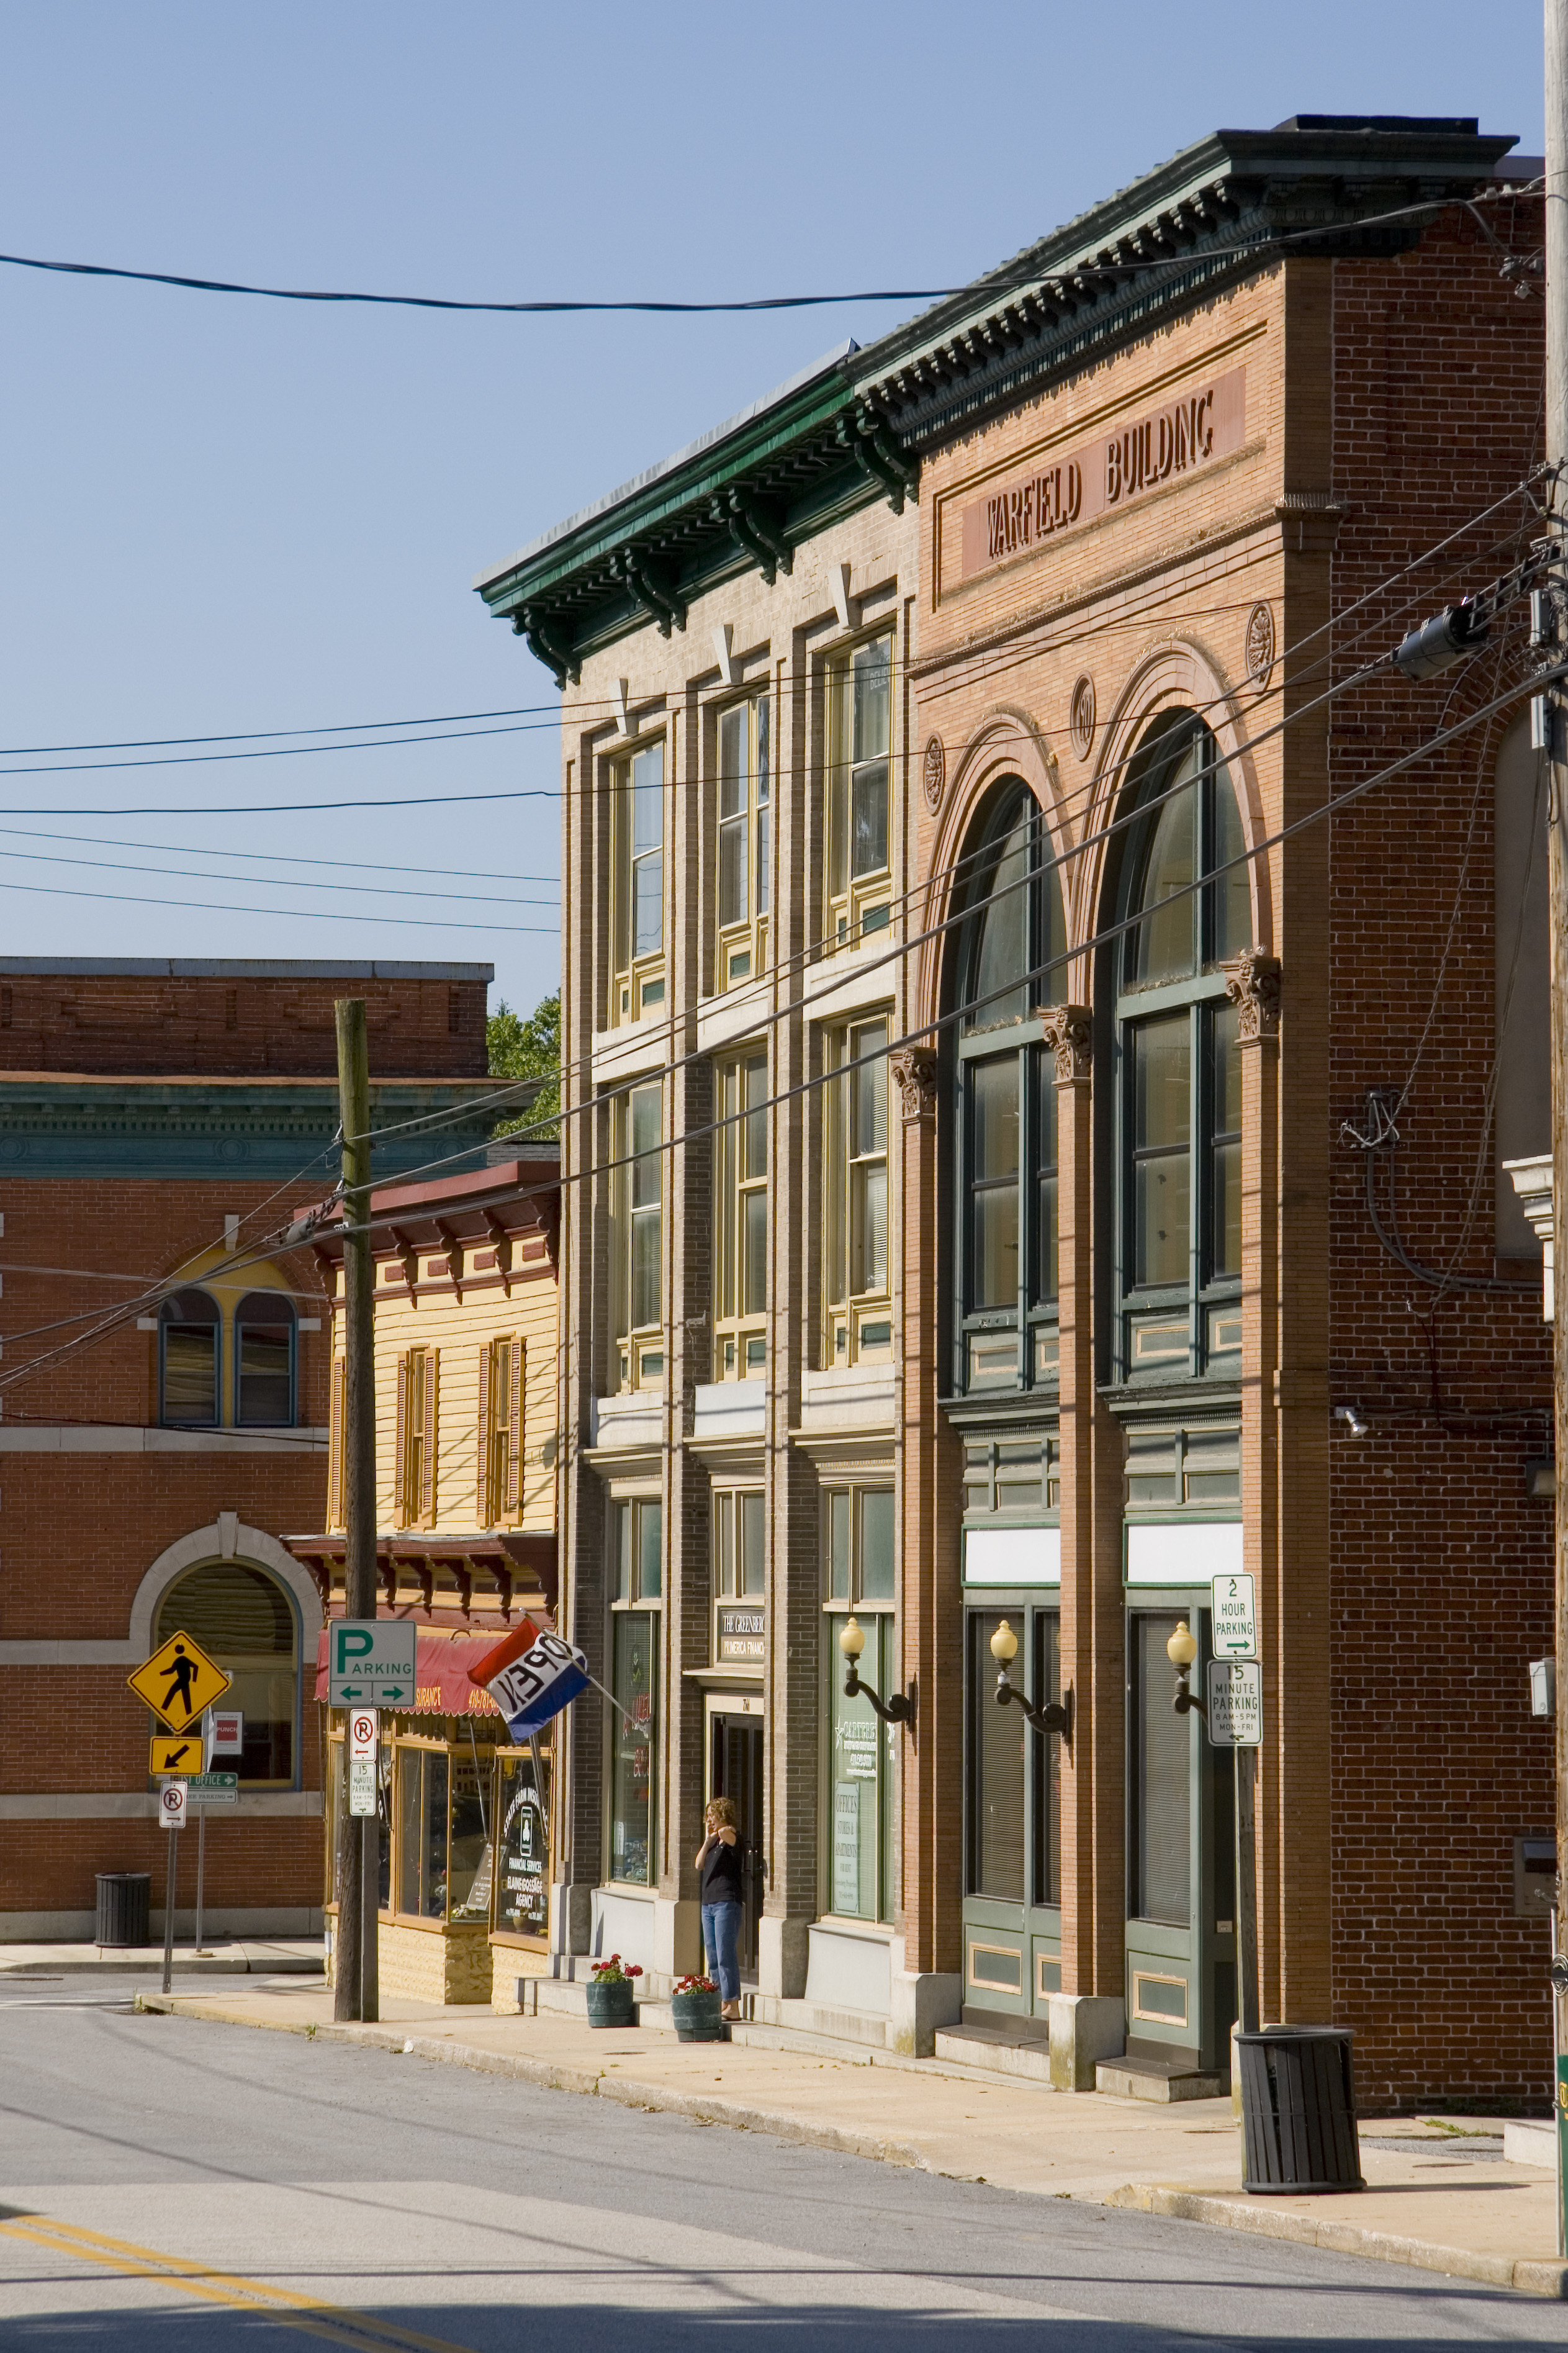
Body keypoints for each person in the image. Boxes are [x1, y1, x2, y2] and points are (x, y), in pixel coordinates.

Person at [695, 1795, 744, 2021]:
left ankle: (732, 2004)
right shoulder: (714, 1841)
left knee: (725, 1954)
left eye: (713, 1815)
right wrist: (707, 1840)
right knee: (713, 1956)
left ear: (723, 1815)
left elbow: (728, 1833)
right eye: (708, 1815)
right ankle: (721, 2000)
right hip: (708, 1904)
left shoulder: (731, 1836)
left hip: (726, 1902)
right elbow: (699, 1864)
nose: (709, 1820)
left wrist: (720, 1827)